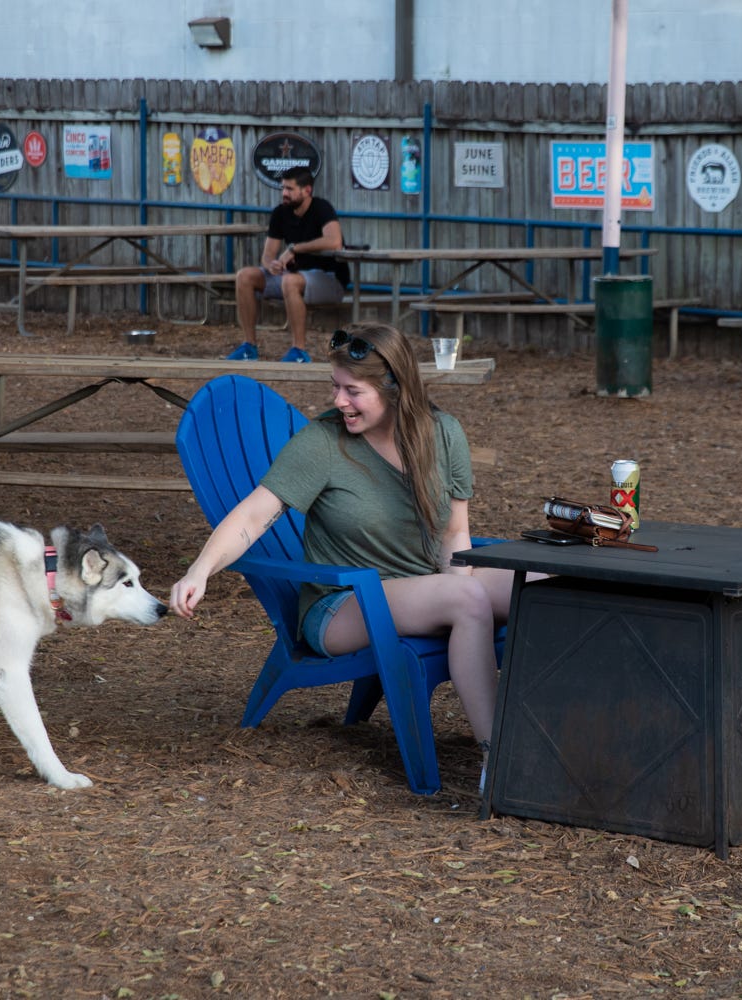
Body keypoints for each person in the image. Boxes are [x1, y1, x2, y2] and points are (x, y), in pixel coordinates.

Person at [173, 322, 517, 784]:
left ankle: (556, 735)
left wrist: (450, 596)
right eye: (335, 386)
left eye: (353, 391)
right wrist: (200, 571)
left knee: (541, 587)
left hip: (424, 584)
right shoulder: (324, 442)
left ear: (394, 388)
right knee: (469, 599)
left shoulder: (443, 433)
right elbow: (254, 516)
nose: (338, 401)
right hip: (341, 605)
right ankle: (499, 762)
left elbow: (454, 533)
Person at [226, 167, 351, 364]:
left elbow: (334, 241)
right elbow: (267, 256)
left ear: (307, 190)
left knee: (290, 281)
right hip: (292, 277)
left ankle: (299, 351)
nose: (284, 193)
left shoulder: (322, 208)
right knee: (245, 276)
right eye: (283, 188)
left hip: (330, 279)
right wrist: (272, 265)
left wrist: (294, 249)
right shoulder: (280, 212)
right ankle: (249, 347)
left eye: (290, 189)